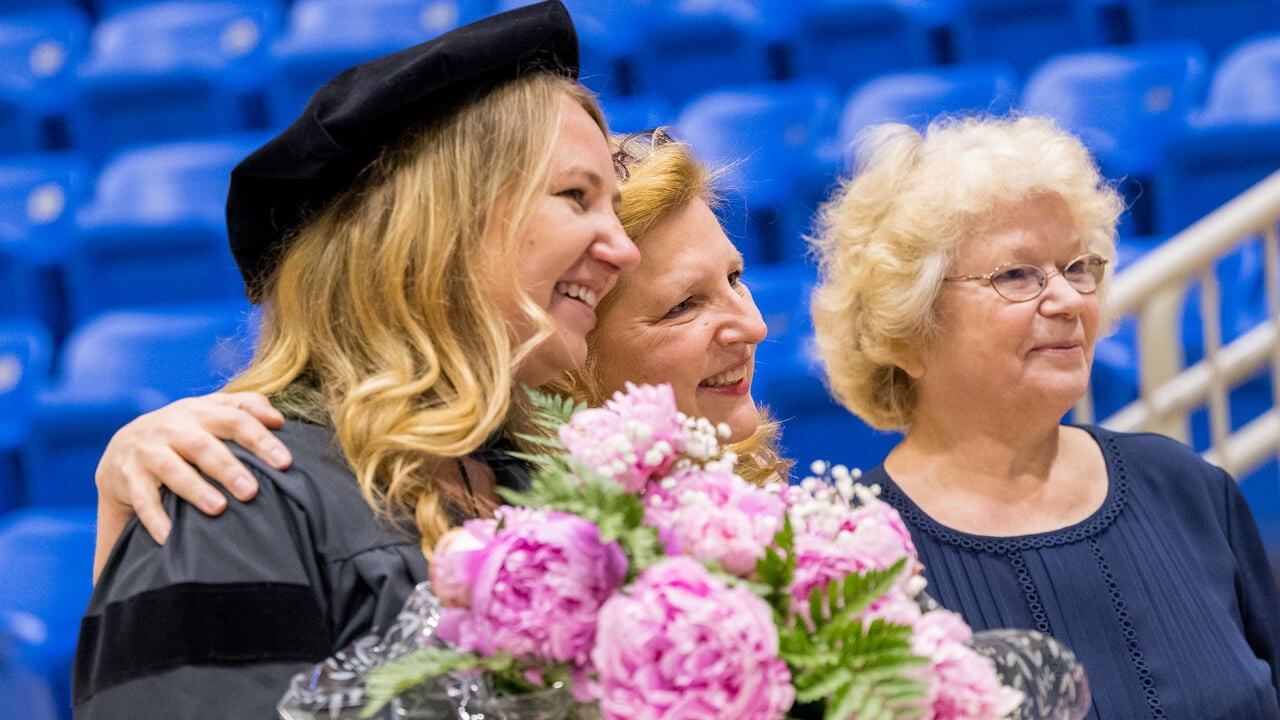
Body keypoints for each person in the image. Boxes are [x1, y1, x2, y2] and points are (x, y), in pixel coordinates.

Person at [75, 3, 641, 717]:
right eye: (575, 198)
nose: (623, 250)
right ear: (437, 229)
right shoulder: (238, 496)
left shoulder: (542, 484)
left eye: (613, 209)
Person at [90, 127, 790, 564]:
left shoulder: (765, 502)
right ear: (570, 345)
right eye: (683, 306)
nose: (753, 325)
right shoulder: (505, 520)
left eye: (736, 277)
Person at [807, 114, 1280, 719]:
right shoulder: (847, 558)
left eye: (1077, 267)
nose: (1067, 299)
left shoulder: (1188, 488)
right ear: (908, 333)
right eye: (1016, 274)